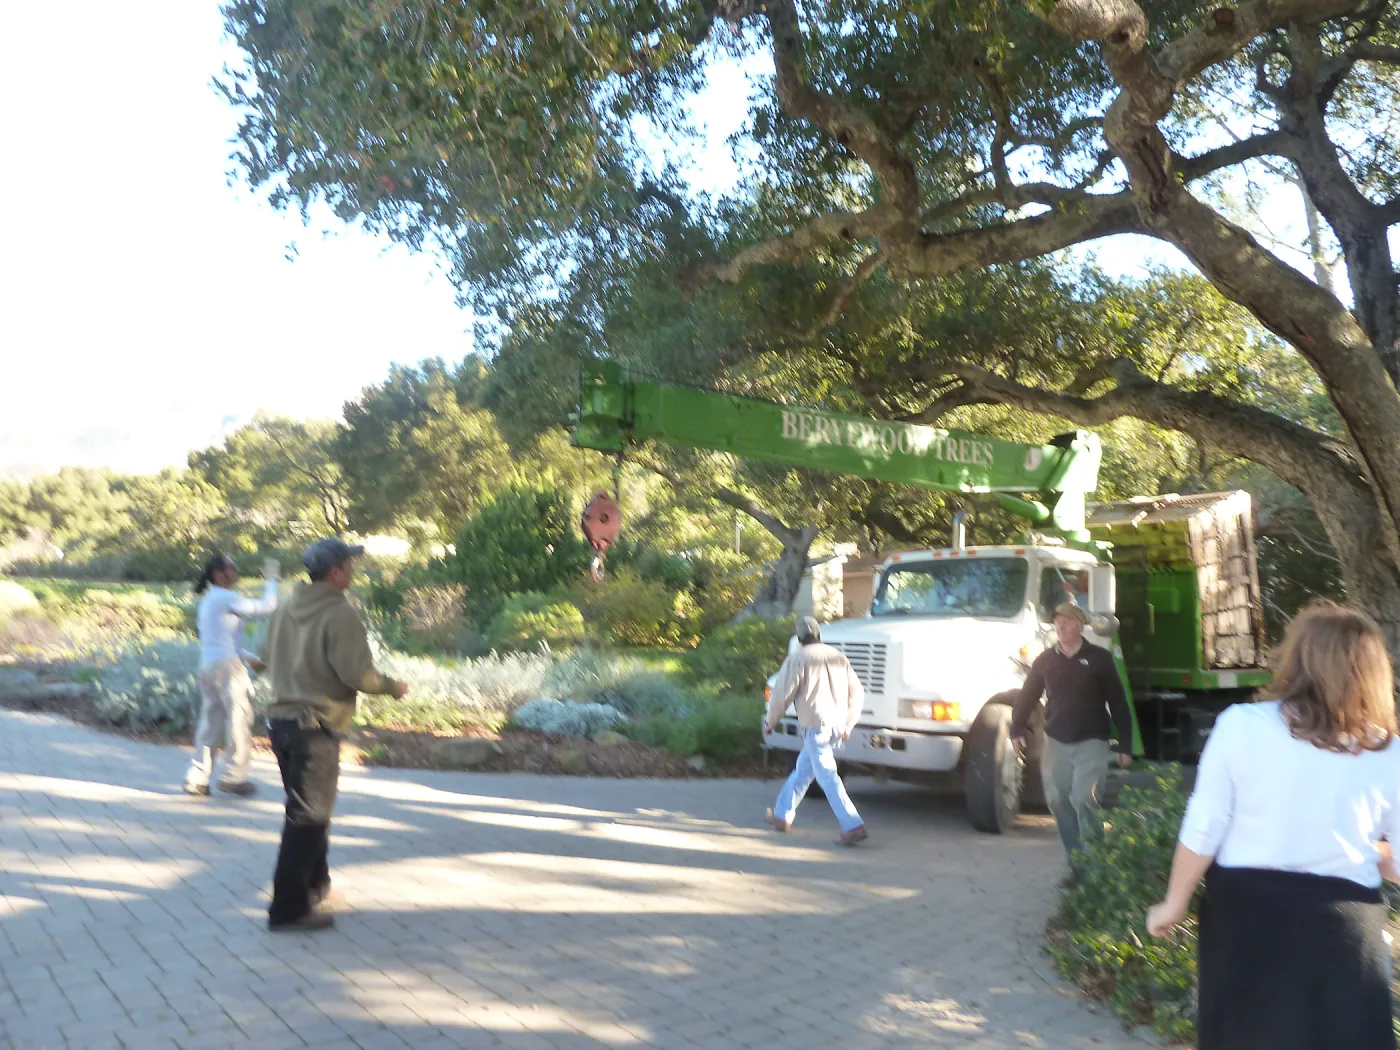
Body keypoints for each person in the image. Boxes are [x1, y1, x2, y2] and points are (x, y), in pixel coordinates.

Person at [1146, 601, 1400, 1050]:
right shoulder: (1388, 751)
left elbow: (1206, 826)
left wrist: (1174, 902)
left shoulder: (1241, 726)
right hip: (1343, 929)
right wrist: (1366, 850)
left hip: (1246, 919)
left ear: (1297, 657)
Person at [260, 537, 407, 931]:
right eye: (349, 564)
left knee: (309, 809)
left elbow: (263, 658)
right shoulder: (340, 613)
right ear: (336, 571)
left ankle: (316, 886)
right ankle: (287, 909)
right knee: (309, 816)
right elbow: (356, 675)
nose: (353, 570)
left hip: (281, 723)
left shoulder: (286, 608)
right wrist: (392, 686)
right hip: (316, 725)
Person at [1011, 601, 1133, 862]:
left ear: (1079, 625)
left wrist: (1125, 743)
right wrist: (1016, 728)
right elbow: (1027, 696)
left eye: (1067, 621)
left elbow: (1118, 701)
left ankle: (1094, 864)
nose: (1061, 625)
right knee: (1057, 802)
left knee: (1083, 799)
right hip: (1056, 741)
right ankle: (1077, 863)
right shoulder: (1045, 660)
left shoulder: (1100, 659)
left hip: (1092, 740)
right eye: (1058, 621)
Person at [763, 616, 868, 846]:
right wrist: (849, 722)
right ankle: (782, 815)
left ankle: (852, 824)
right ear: (819, 635)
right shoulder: (839, 657)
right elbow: (857, 692)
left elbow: (781, 695)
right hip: (837, 726)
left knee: (827, 776)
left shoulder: (798, 659)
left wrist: (770, 723)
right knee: (803, 771)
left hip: (815, 725)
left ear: (800, 639)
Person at [183, 553, 279, 797]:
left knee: (210, 723)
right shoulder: (227, 597)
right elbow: (267, 607)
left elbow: (222, 641)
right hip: (229, 669)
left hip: (209, 665)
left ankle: (197, 778)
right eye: (232, 567)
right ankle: (234, 777)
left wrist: (250, 658)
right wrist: (272, 581)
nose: (237, 571)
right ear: (219, 573)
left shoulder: (208, 600)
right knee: (239, 719)